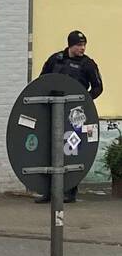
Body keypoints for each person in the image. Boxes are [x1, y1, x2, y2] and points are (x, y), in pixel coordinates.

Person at [36, 30, 103, 203]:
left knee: (72, 149)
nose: (82, 48)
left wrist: (84, 101)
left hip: (75, 115)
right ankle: (48, 191)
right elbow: (42, 80)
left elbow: (97, 87)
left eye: (84, 45)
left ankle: (70, 190)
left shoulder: (88, 64)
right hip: (52, 111)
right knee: (48, 147)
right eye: (79, 45)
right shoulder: (56, 59)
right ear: (70, 45)